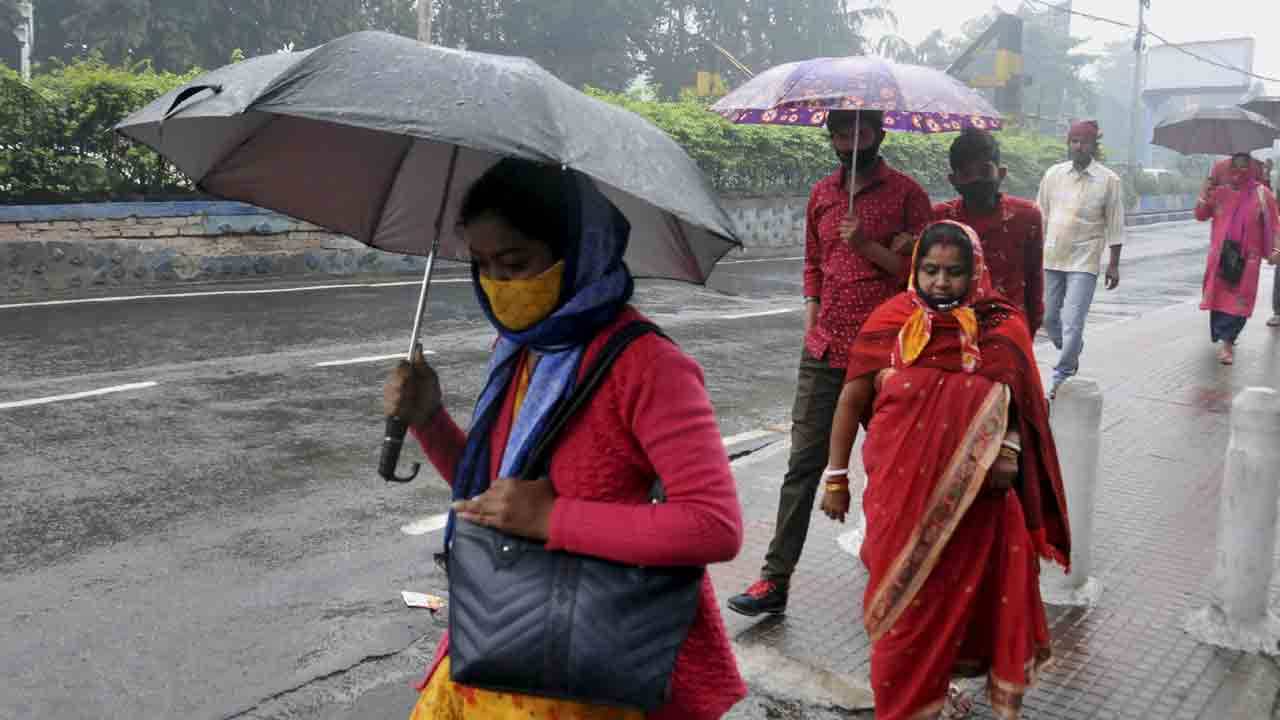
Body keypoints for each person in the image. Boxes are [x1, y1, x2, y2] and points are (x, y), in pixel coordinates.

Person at [385, 158, 747, 719]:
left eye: (515, 263)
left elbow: (713, 527)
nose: (499, 287)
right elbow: (494, 501)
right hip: (501, 637)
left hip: (590, 667)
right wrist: (430, 419)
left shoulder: (648, 366)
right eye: (482, 266)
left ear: (578, 250)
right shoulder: (523, 350)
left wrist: (553, 520)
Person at [820, 220, 1070, 720]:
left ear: (975, 272)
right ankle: (905, 705)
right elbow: (851, 399)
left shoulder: (1002, 327)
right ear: (916, 269)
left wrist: (1010, 451)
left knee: (959, 604)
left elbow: (1021, 407)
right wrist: (836, 476)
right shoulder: (890, 321)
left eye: (954, 273)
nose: (939, 283)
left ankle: (935, 695)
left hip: (978, 504)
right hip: (898, 497)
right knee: (900, 610)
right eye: (930, 270)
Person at [727, 109, 933, 617]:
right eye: (841, 131)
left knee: (892, 468)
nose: (849, 140)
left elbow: (922, 276)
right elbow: (813, 264)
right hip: (823, 351)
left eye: (859, 130)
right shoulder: (822, 193)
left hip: (887, 354)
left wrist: (865, 245)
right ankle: (774, 580)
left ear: (880, 134)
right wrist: (810, 319)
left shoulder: (908, 195)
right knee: (802, 466)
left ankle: (900, 574)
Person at [1035, 120, 1125, 398]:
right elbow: (1040, 215)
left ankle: (1063, 373)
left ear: (1093, 145)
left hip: (1084, 261)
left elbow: (1115, 224)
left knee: (1073, 320)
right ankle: (1072, 349)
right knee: (1050, 318)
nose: (1078, 146)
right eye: (1073, 141)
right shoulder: (1053, 174)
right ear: (1068, 143)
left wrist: (1113, 264)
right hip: (1052, 256)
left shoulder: (1109, 181)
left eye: (1083, 141)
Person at [935, 128, 1045, 333]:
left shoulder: (1027, 216)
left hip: (1008, 328)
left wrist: (1030, 327)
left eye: (985, 171)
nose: (977, 180)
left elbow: (1034, 277)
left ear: (1001, 173)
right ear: (953, 180)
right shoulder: (940, 218)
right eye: (967, 174)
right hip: (952, 329)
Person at [1195, 154, 1280, 363]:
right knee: (1218, 300)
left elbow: (1275, 224)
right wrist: (1204, 191)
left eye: (1245, 165)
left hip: (1247, 262)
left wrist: (1276, 249)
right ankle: (1223, 337)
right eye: (1236, 165)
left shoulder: (1262, 194)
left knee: (1239, 305)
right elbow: (1200, 214)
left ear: (1252, 168)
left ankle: (1228, 343)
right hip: (1220, 258)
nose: (1240, 170)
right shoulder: (1220, 193)